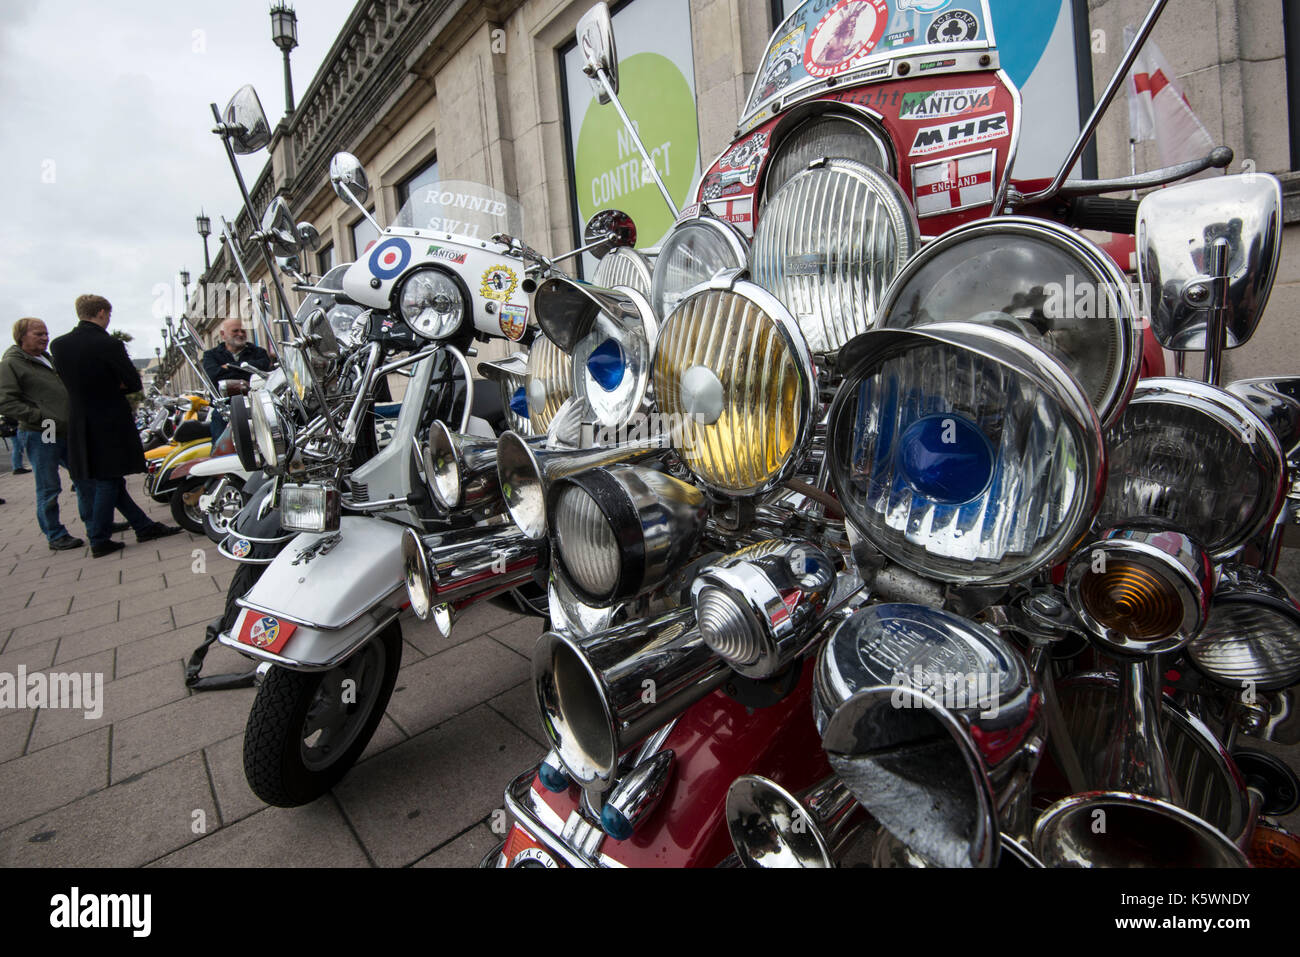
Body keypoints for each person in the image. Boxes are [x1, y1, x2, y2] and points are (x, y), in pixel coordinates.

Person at [49, 295, 181, 558]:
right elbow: (132, 382)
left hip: (80, 418)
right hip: (108, 418)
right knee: (109, 478)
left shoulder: (59, 345)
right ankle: (99, 537)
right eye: (108, 314)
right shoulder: (108, 343)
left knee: (109, 479)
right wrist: (113, 385)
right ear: (101, 312)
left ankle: (143, 526)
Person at [0, 318, 84, 550]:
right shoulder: (11, 364)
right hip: (43, 430)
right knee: (49, 484)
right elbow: (6, 401)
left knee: (84, 476)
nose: (45, 338)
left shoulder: (47, 358)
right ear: (21, 336)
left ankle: (96, 521)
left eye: (46, 333)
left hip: (65, 428)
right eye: (38, 334)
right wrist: (41, 416)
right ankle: (55, 534)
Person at [203, 319, 273, 439]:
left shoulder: (259, 352)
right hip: (225, 408)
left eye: (243, 331)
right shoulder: (211, 355)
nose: (240, 334)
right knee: (221, 442)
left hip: (255, 405)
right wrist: (245, 370)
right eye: (235, 331)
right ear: (223, 334)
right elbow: (213, 375)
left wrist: (229, 366)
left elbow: (263, 368)